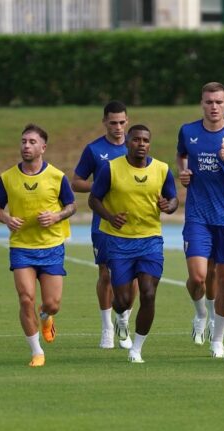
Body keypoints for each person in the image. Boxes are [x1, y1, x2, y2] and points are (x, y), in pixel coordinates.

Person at [89, 125, 179, 363]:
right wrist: (109, 217)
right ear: (127, 142)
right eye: (136, 139)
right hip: (118, 242)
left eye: (145, 140)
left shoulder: (162, 169)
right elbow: (93, 199)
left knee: (148, 293)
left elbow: (173, 199)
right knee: (123, 301)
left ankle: (136, 349)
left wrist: (169, 206)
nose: (141, 144)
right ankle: (121, 319)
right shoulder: (111, 168)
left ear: (150, 144)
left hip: (150, 240)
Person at [0, 124, 76, 367]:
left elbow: (72, 206)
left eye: (31, 142)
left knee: (53, 304)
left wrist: (56, 216)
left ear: (43, 148)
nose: (26, 146)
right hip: (22, 248)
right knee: (25, 297)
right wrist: (6, 218)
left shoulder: (57, 177)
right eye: (23, 141)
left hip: (51, 247)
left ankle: (46, 316)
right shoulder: (8, 177)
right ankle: (36, 351)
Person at [176, 82, 224, 358]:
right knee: (198, 277)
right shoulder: (188, 131)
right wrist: (182, 172)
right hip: (197, 216)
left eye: (219, 102)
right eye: (209, 102)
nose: (214, 107)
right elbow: (181, 155)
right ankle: (200, 314)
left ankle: (217, 341)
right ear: (202, 104)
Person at [71, 101, 136, 350]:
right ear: (105, 122)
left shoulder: (136, 145)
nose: (118, 127)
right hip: (104, 222)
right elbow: (76, 182)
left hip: (134, 223)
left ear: (127, 121)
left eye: (122, 122)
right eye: (113, 123)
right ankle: (107, 328)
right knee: (106, 275)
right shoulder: (95, 149)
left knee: (134, 278)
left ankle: (124, 322)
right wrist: (102, 184)